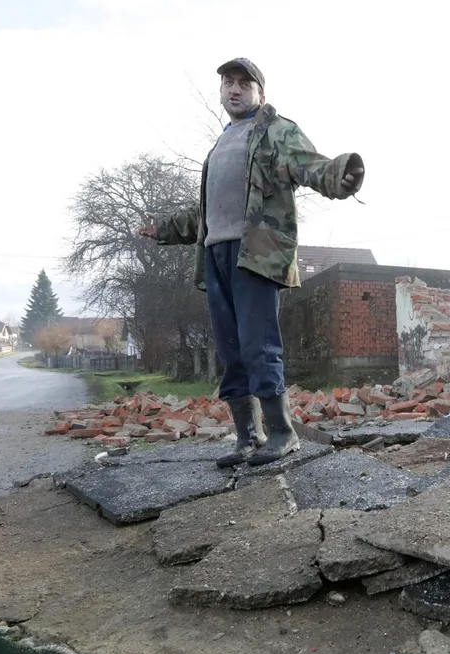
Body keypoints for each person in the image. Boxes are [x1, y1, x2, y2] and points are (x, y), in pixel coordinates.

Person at [139, 58, 364, 467]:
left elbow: (308, 164)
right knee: (230, 351)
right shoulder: (221, 143)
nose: (235, 89)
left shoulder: (275, 131)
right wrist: (164, 228)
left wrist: (340, 174)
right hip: (215, 256)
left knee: (259, 347)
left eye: (245, 83)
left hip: (256, 255)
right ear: (222, 90)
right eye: (228, 82)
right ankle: (247, 436)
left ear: (261, 94)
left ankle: (282, 433)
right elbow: (205, 213)